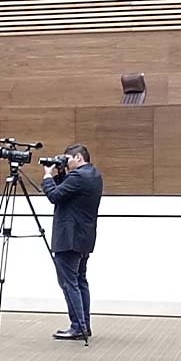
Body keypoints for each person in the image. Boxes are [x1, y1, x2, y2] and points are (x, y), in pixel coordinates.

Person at [42, 143, 103, 341]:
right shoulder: (93, 175)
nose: (66, 163)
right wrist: (60, 173)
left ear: (78, 157)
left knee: (69, 283)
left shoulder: (78, 177)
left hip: (69, 238)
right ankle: (84, 324)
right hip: (84, 238)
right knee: (80, 281)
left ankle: (77, 326)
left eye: (68, 159)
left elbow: (55, 195)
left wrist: (47, 176)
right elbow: (67, 193)